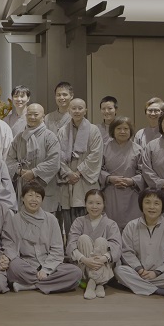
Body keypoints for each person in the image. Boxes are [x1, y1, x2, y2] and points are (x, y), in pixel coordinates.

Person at [5, 181, 81, 294]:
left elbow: (57, 249)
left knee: (76, 273)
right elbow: (10, 247)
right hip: (26, 266)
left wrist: (46, 269)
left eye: (38, 196)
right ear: (22, 198)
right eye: (30, 195)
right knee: (13, 266)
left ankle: (31, 286)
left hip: (49, 264)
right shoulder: (14, 220)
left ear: (42, 200)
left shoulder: (51, 219)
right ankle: (49, 283)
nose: (34, 199)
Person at [114, 189, 164, 298]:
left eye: (156, 203)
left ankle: (137, 286)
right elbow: (126, 251)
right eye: (147, 202)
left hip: (161, 274)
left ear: (162, 206)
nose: (152, 207)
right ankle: (159, 291)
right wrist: (139, 269)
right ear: (141, 205)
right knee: (119, 270)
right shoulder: (131, 226)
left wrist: (156, 272)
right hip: (138, 273)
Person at [57, 98, 103, 235]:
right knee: (68, 220)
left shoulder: (93, 130)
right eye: (74, 108)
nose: (77, 111)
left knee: (87, 214)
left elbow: (95, 155)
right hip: (67, 181)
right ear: (69, 110)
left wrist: (78, 172)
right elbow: (57, 155)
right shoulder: (62, 131)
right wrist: (68, 173)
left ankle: (87, 245)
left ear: (85, 110)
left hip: (84, 181)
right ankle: (71, 246)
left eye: (80, 108)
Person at [6, 103, 61, 213]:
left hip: (44, 187)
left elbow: (54, 162)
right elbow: (9, 160)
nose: (32, 117)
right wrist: (20, 171)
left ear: (43, 116)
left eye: (36, 114)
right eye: (29, 114)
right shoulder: (19, 137)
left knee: (45, 220)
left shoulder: (50, 137)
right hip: (23, 185)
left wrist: (34, 172)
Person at [66, 189, 121, 299]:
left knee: (101, 241)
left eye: (98, 203)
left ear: (104, 204)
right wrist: (85, 260)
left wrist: (103, 258)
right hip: (84, 266)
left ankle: (93, 283)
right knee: (83, 239)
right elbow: (71, 244)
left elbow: (116, 246)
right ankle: (99, 284)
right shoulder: (79, 221)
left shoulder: (111, 224)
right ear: (85, 203)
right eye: (90, 203)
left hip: (103, 263)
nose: (94, 206)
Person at [100, 116, 145, 230]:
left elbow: (144, 172)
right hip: (110, 192)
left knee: (132, 228)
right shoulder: (104, 148)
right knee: (110, 226)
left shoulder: (138, 149)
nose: (122, 131)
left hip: (132, 193)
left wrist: (132, 181)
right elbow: (97, 169)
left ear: (131, 131)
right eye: (119, 128)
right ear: (113, 130)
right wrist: (109, 178)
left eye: (126, 129)